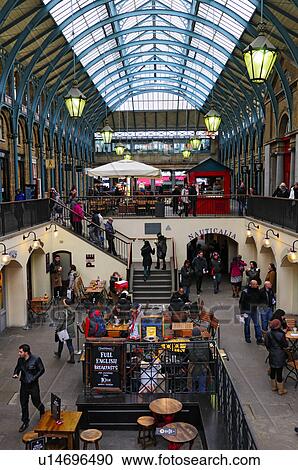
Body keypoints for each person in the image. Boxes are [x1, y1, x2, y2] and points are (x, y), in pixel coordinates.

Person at [13, 344, 45, 432]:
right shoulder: (20, 360)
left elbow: (42, 370)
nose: (19, 353)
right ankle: (25, 421)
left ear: (26, 352)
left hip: (33, 385)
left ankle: (42, 410)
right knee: (23, 404)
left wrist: (34, 378)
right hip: (24, 385)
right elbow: (17, 368)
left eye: (21, 352)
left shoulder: (36, 359)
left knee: (36, 401)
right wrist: (15, 373)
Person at [264, 319, 288, 395]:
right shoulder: (281, 334)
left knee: (273, 370)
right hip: (280, 355)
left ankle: (274, 386)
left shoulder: (268, 333)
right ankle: (281, 389)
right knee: (279, 372)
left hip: (272, 354)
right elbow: (285, 345)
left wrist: (271, 350)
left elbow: (267, 344)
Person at [239, 279, 263, 344]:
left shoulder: (258, 291)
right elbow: (241, 302)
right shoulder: (245, 291)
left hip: (255, 310)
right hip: (247, 310)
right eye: (255, 284)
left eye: (257, 284)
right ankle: (247, 337)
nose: (257, 285)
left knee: (257, 324)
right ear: (251, 285)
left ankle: (259, 338)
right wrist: (242, 312)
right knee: (247, 325)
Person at [187, 327, 210, 392]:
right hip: (203, 366)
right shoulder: (206, 343)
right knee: (202, 385)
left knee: (192, 385)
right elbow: (209, 356)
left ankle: (192, 399)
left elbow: (186, 356)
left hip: (192, 367)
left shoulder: (189, 344)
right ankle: (202, 400)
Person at [54, 298, 76, 363]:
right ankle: (59, 353)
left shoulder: (64, 311)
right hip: (70, 327)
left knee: (67, 343)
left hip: (64, 329)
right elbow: (73, 319)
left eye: (63, 302)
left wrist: (57, 329)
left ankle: (72, 359)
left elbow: (61, 321)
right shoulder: (72, 310)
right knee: (66, 342)